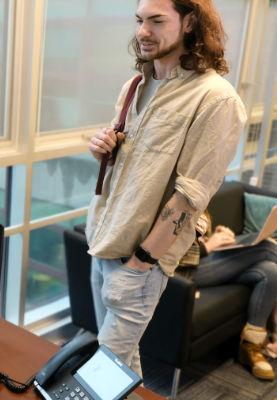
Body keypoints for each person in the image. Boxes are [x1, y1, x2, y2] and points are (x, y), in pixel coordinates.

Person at [85, 0, 247, 380]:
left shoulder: (217, 99)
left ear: (190, 22)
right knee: (120, 366)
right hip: (102, 240)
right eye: (140, 20)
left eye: (157, 21)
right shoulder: (136, 85)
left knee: (100, 373)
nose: (142, 32)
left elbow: (191, 197)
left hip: (139, 260)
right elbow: (135, 165)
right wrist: (102, 146)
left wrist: (142, 263)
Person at [176, 211, 277, 379]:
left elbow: (195, 240)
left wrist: (215, 239)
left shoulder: (202, 201)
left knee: (271, 271)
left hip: (203, 262)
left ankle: (250, 346)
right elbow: (164, 254)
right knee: (267, 247)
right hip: (183, 274)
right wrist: (208, 247)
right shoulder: (174, 202)